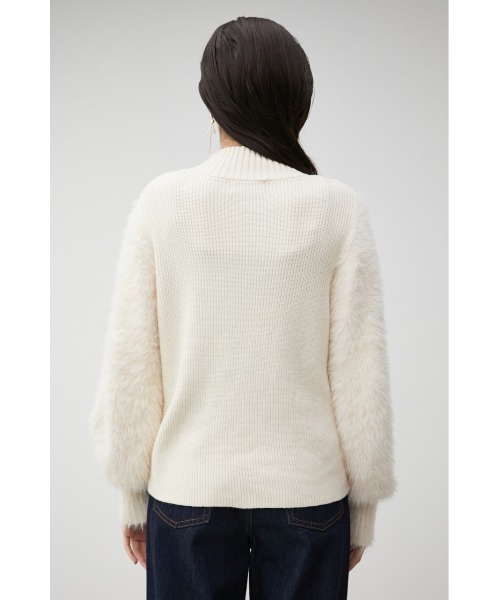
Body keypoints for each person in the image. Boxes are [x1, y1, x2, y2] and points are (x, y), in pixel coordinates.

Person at [89, 16, 397, 600]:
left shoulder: (163, 202)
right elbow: (361, 375)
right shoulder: (338, 209)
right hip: (308, 495)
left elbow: (132, 365)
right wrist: (362, 513)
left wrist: (132, 498)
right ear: (299, 101)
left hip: (188, 491)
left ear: (212, 103)